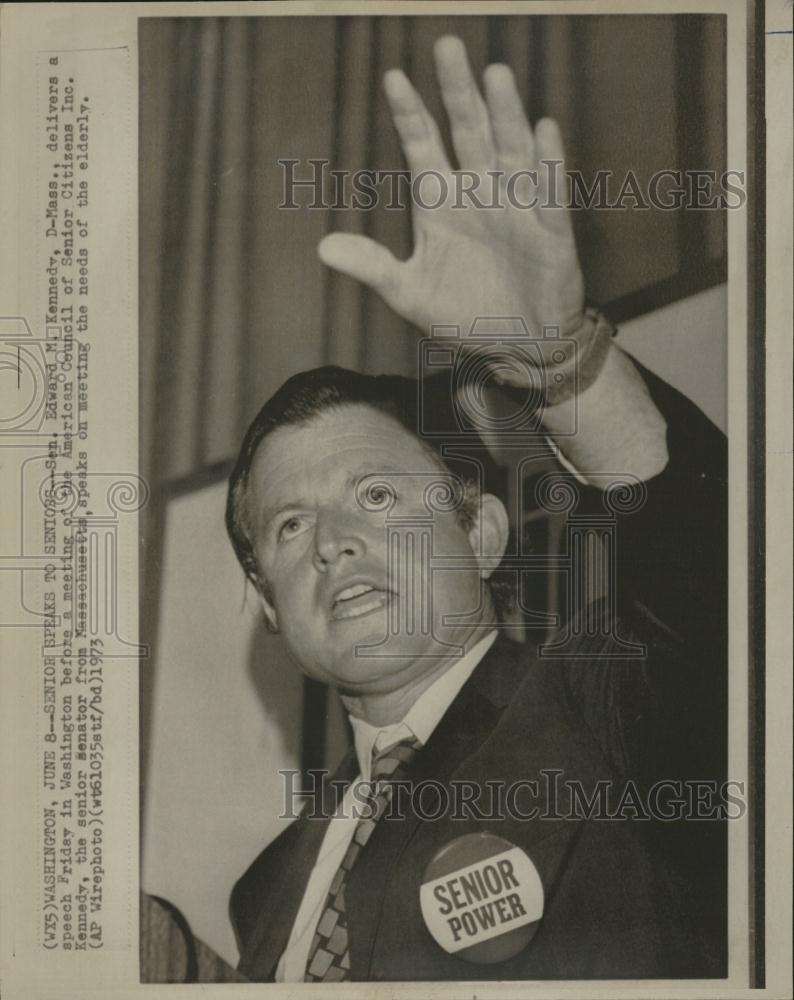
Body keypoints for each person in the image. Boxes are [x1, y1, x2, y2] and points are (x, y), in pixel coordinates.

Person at [224, 36, 727, 981]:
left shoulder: (621, 719)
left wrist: (560, 364)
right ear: (266, 604)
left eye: (377, 494)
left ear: (485, 532)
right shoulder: (266, 890)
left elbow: (711, 571)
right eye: (289, 527)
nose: (332, 542)